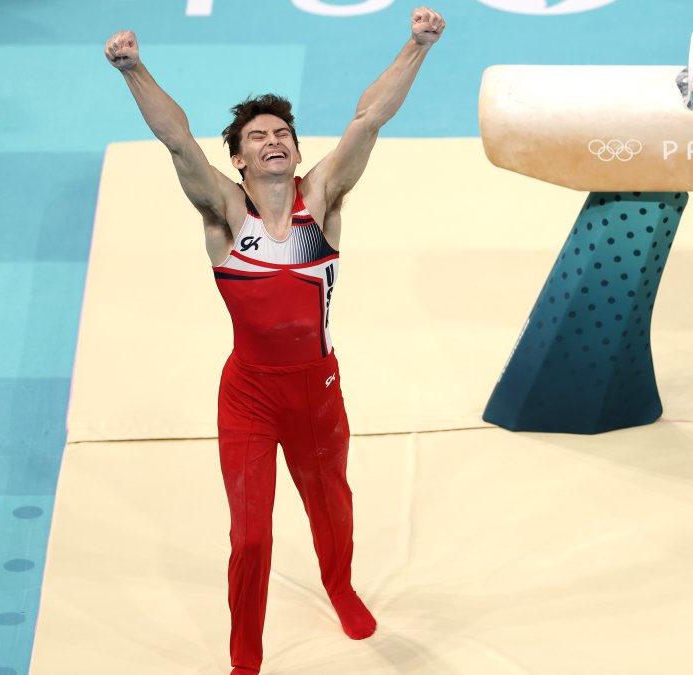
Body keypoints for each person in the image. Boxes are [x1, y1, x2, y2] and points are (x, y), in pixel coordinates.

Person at [104, 7, 446, 673]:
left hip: (316, 391)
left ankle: (339, 584)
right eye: (258, 135)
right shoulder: (224, 213)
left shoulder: (320, 200)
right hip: (251, 396)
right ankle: (245, 653)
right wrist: (133, 69)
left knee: (332, 507)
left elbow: (368, 119)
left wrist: (417, 44)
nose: (274, 140)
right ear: (237, 157)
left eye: (283, 132)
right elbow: (178, 143)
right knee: (252, 534)